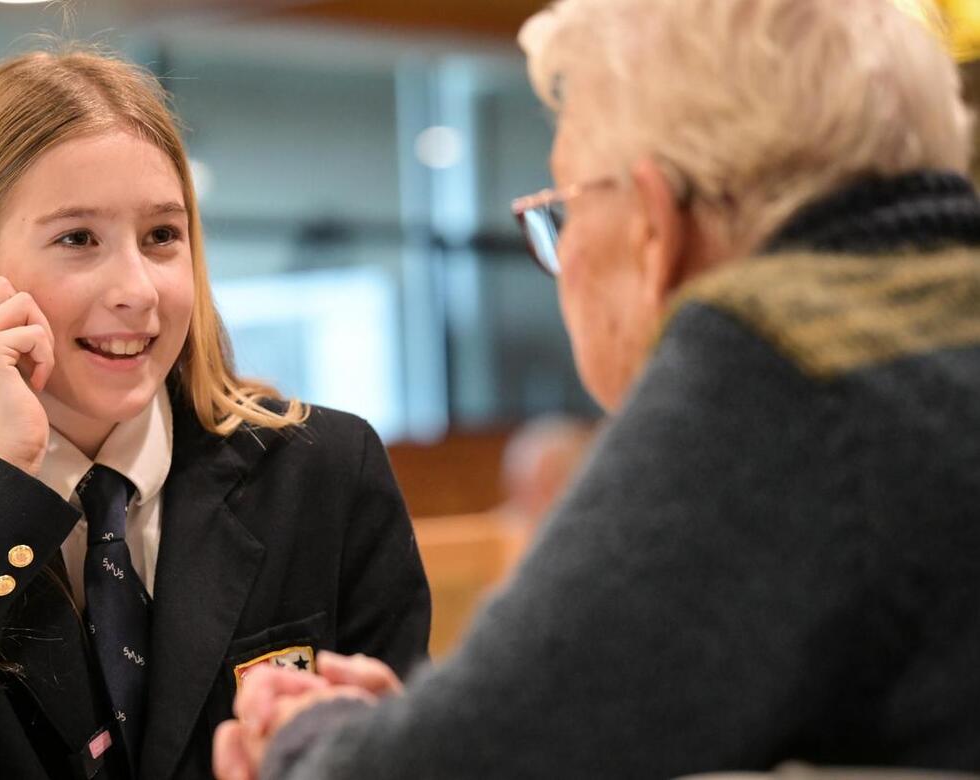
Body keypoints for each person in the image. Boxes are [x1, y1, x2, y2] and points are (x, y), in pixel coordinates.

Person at [212, 0, 980, 777]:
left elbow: (461, 765)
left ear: (653, 226)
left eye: (564, 209)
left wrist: (311, 739)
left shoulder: (779, 363)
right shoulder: (931, 327)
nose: (563, 257)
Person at [0, 49, 430, 780]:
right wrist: (5, 473)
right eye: (78, 239)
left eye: (162, 237)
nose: (137, 289)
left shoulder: (326, 469)